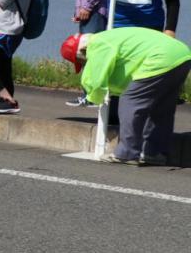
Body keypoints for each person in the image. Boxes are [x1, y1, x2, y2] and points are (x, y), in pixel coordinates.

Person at [62, 29, 190, 166]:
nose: (83, 65)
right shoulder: (108, 37)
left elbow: (96, 80)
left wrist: (94, 97)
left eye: (80, 62)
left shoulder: (97, 45)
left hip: (161, 58)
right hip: (182, 55)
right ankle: (154, 153)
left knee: (130, 101)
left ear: (81, 53)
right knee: (161, 108)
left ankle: (127, 153)